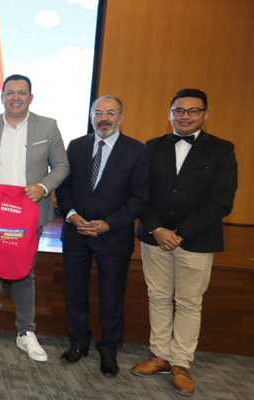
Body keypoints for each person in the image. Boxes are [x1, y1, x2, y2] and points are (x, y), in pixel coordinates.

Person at [131, 89, 238, 396]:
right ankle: (160, 355)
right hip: (154, 237)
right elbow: (141, 194)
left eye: (193, 111)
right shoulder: (151, 147)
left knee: (190, 303)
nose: (186, 116)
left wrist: (180, 233)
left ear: (206, 114)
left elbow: (222, 201)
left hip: (197, 240)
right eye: (179, 110)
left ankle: (181, 363)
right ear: (169, 114)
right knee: (158, 296)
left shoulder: (221, 149)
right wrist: (158, 229)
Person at [0, 74, 69, 361]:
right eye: (10, 92)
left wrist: (44, 187)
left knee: (25, 271)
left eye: (22, 93)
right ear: (2, 96)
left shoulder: (48, 125)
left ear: (31, 97)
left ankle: (26, 332)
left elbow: (61, 166)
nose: (16, 97)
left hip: (28, 213)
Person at [55, 95, 149, 376]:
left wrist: (108, 224)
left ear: (121, 117)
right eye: (98, 113)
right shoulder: (77, 146)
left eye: (110, 113)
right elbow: (64, 186)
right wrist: (70, 214)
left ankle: (109, 350)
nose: (103, 118)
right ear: (92, 116)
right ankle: (78, 342)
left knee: (111, 296)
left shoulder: (137, 151)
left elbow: (139, 198)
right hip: (75, 232)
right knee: (74, 293)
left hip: (113, 236)